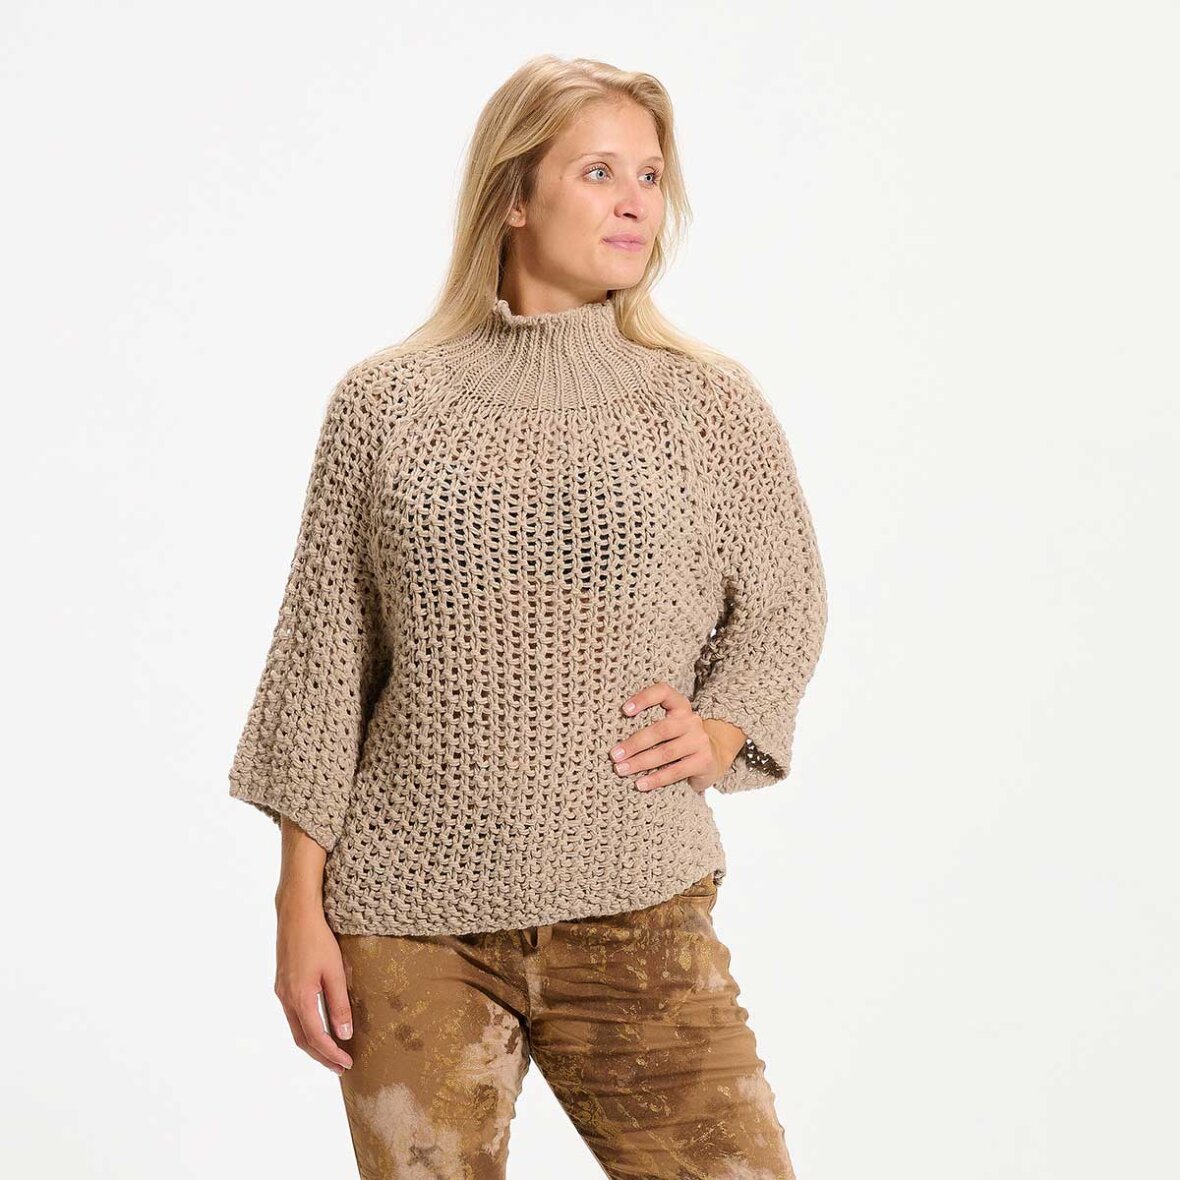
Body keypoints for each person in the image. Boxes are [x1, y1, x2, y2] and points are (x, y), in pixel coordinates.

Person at [228, 53, 828, 1179]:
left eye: (649, 175)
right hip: (408, 921)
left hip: (639, 899)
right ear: (513, 195)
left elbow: (786, 599)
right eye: (598, 171)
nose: (634, 201)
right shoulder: (384, 403)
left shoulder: (706, 401)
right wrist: (297, 910)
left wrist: (720, 730)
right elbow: (323, 664)